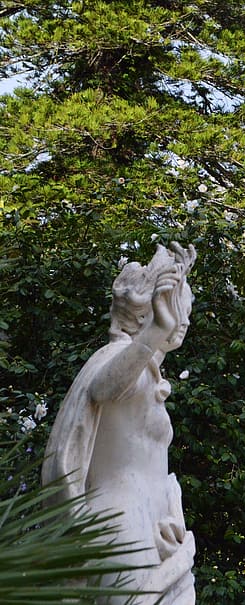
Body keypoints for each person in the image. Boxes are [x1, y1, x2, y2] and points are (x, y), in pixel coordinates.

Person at [42, 242, 197, 604]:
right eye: (180, 307)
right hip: (119, 518)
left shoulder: (147, 373)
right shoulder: (114, 359)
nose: (186, 320)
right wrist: (157, 331)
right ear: (152, 310)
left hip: (158, 523)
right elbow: (102, 388)